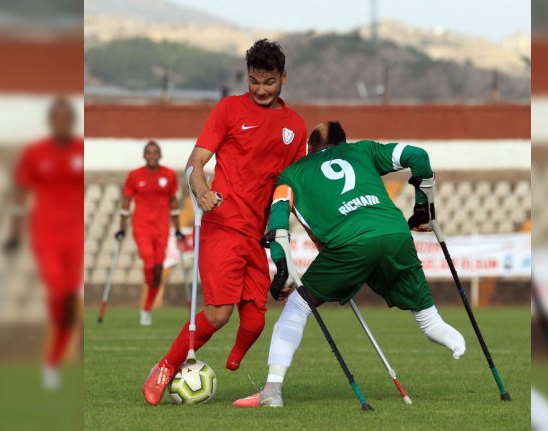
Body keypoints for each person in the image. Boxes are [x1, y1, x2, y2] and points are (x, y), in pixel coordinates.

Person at [233, 122, 466, 407]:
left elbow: (278, 222)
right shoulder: (363, 150)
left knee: (298, 305)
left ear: (309, 147)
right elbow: (418, 155)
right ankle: (448, 335)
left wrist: (282, 268)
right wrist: (422, 210)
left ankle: (272, 391)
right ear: (344, 142)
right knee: (427, 318)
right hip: (394, 234)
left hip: (350, 244)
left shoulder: (291, 174)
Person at [142, 39, 307, 405]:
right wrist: (201, 192)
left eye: (269, 82)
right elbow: (194, 164)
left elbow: (292, 186)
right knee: (218, 314)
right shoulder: (230, 109)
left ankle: (233, 362)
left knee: (255, 322)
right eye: (254, 81)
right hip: (223, 224)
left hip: (259, 234)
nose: (261, 90)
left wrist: (288, 238)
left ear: (284, 77)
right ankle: (165, 367)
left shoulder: (295, 126)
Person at [6, 96, 84, 390]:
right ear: (51, 121)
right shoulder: (35, 152)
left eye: (68, 117)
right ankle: (53, 359)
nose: (62, 122)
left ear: (72, 121)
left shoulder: (81, 150)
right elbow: (20, 190)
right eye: (58, 117)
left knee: (67, 303)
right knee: (59, 295)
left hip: (75, 236)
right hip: (46, 234)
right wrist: (14, 231)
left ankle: (52, 361)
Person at [115, 141, 182, 326]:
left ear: (160, 155)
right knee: (150, 261)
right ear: (144, 155)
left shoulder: (168, 175)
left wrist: (176, 229)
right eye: (149, 152)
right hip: (142, 226)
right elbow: (126, 202)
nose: (152, 155)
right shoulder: (135, 175)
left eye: (155, 152)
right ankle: (147, 297)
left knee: (159, 269)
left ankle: (146, 309)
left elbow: (174, 204)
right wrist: (121, 228)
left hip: (161, 227)